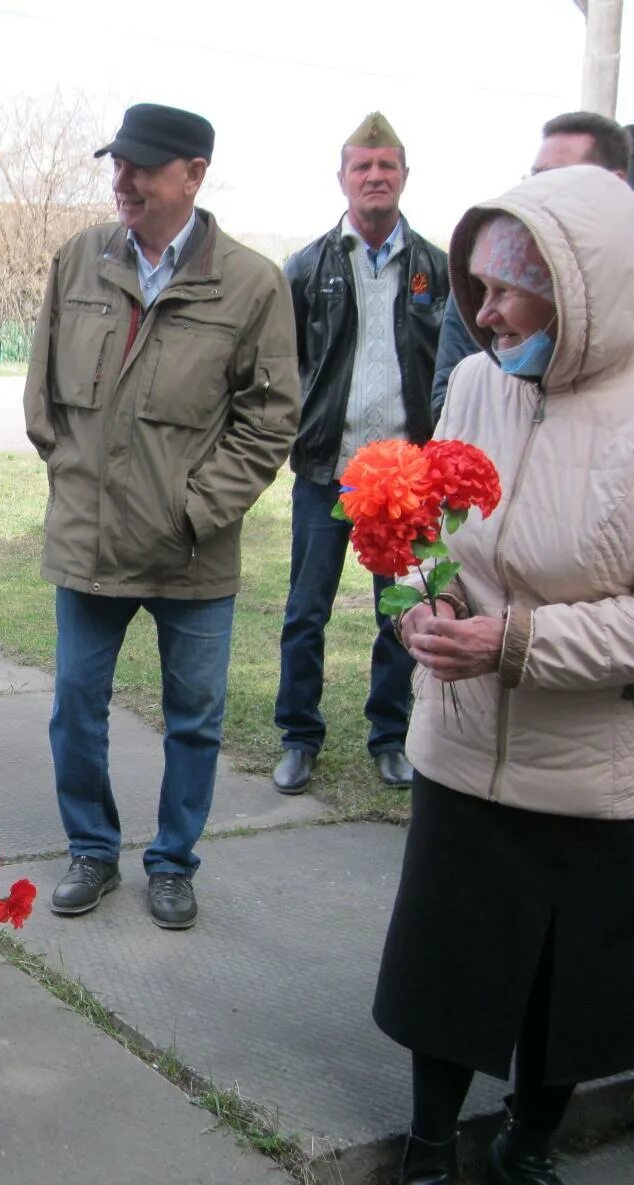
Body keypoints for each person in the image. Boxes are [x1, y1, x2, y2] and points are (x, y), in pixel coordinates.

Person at [374, 165, 634, 1185]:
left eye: (503, 292)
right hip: (461, 740)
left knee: (571, 988)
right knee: (451, 964)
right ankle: (430, 1157)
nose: (480, 315)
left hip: (593, 763)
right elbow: (422, 534)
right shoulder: (480, 384)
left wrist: (517, 640)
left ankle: (525, 1151)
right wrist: (420, 603)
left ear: (579, 291)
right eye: (475, 288)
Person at [24, 103, 299, 931]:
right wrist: (80, 486)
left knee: (196, 720)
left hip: (193, 554)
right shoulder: (79, 258)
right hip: (90, 541)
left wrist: (193, 511)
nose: (125, 180)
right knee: (76, 704)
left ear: (194, 175)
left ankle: (173, 862)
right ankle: (91, 850)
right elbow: (43, 397)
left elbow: (270, 418)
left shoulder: (252, 283)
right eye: (120, 164)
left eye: (145, 166)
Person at [271, 113, 447, 796]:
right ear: (342, 177)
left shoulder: (435, 267)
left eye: (387, 167)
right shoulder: (307, 268)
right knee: (304, 612)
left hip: (405, 484)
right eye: (362, 167)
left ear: (405, 176)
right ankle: (298, 737)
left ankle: (391, 736)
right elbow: (279, 367)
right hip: (325, 474)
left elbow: (451, 366)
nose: (375, 178)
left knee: (400, 612)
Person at [430, 111, 632, 420]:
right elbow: (448, 400)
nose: (486, 314)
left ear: (614, 186)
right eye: (537, 177)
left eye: (559, 178)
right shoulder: (483, 273)